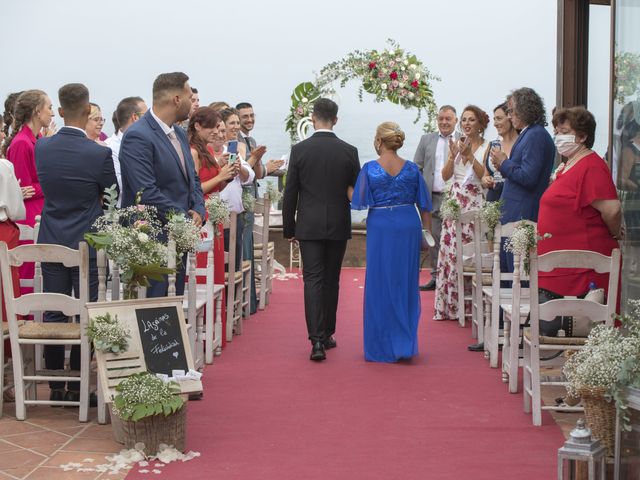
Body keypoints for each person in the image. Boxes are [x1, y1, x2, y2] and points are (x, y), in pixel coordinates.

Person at [36, 82, 116, 404]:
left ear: (58, 111)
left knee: (55, 311)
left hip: (52, 236)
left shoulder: (42, 148)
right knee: (87, 313)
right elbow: (111, 199)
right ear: (86, 111)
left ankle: (57, 386)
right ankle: (82, 384)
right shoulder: (99, 153)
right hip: (87, 243)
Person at [282, 98, 360, 362]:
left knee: (312, 280)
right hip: (338, 222)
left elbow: (290, 192)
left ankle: (316, 341)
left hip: (309, 224)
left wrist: (288, 228)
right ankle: (327, 333)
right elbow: (356, 192)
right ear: (335, 120)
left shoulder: (299, 150)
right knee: (331, 279)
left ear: (313, 118)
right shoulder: (349, 151)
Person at [119, 71, 205, 297]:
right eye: (189, 96)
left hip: (177, 235)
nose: (192, 103)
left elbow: (192, 178)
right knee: (153, 308)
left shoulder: (178, 131)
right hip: (151, 237)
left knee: (173, 302)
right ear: (176, 99)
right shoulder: (138, 135)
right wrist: (184, 217)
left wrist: (198, 208)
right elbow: (145, 191)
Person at [351, 122, 432, 362]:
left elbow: (359, 201)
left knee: (380, 282)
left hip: (381, 225)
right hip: (409, 223)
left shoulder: (369, 169)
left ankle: (381, 345)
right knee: (405, 283)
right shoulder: (411, 169)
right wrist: (427, 232)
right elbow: (424, 204)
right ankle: (404, 343)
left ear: (378, 142)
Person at [537, 106, 621, 296]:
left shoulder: (591, 166)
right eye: (557, 132)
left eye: (565, 132)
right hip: (562, 266)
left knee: (580, 323)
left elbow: (612, 210)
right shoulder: (570, 164)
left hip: (583, 267)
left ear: (582, 137)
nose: (558, 137)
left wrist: (615, 233)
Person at [434, 105, 489, 321]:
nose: (466, 123)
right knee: (452, 254)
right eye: (464, 120)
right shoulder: (456, 143)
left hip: (475, 201)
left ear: (480, 124)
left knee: (472, 254)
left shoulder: (487, 146)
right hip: (456, 203)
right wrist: (452, 157)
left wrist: (469, 156)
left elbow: (484, 174)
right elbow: (446, 175)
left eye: (471, 120)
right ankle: (451, 305)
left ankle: (472, 307)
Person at [491, 87, 555, 272]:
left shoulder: (535, 135)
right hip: (514, 213)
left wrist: (504, 163)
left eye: (511, 111)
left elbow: (529, 177)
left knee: (517, 276)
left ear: (525, 109)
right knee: (509, 274)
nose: (509, 116)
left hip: (522, 214)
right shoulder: (529, 133)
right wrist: (504, 165)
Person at [188, 106, 236, 346]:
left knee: (216, 272)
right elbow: (194, 191)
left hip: (212, 215)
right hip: (201, 217)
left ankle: (213, 329)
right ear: (198, 126)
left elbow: (214, 186)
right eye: (214, 127)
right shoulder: (193, 152)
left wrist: (225, 177)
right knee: (202, 272)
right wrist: (219, 176)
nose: (218, 132)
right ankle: (200, 331)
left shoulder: (205, 150)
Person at [1, 89, 54, 292]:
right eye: (49, 107)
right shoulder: (22, 143)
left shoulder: (36, 139)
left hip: (39, 208)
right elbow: (23, 188)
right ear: (36, 111)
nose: (52, 112)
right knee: (29, 273)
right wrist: (50, 183)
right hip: (30, 214)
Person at [414, 105, 458, 291]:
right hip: (431, 197)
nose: (444, 122)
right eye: (441, 118)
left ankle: (453, 277)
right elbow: (417, 166)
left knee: (454, 238)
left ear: (455, 120)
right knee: (433, 237)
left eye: (448, 119)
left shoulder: (462, 141)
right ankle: (435, 276)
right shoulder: (427, 139)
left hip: (454, 197)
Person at [0, 155, 26, 402]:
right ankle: (8, 376)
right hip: (2, 232)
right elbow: (17, 209)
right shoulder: (4, 166)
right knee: (6, 301)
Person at [218, 108, 255, 271]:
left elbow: (249, 177)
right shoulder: (214, 153)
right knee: (222, 267)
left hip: (236, 216)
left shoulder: (233, 151)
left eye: (237, 123)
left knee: (234, 268)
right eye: (232, 123)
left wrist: (240, 168)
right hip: (219, 217)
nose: (236, 127)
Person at [105, 96, 148, 207]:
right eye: (146, 115)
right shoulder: (109, 147)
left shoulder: (147, 142)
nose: (149, 120)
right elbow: (119, 185)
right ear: (135, 117)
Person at [481, 103, 519, 202]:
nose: (495, 123)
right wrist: (486, 180)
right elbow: (484, 176)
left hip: (513, 200)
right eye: (494, 119)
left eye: (499, 118)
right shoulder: (493, 145)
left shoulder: (521, 144)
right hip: (493, 200)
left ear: (510, 118)